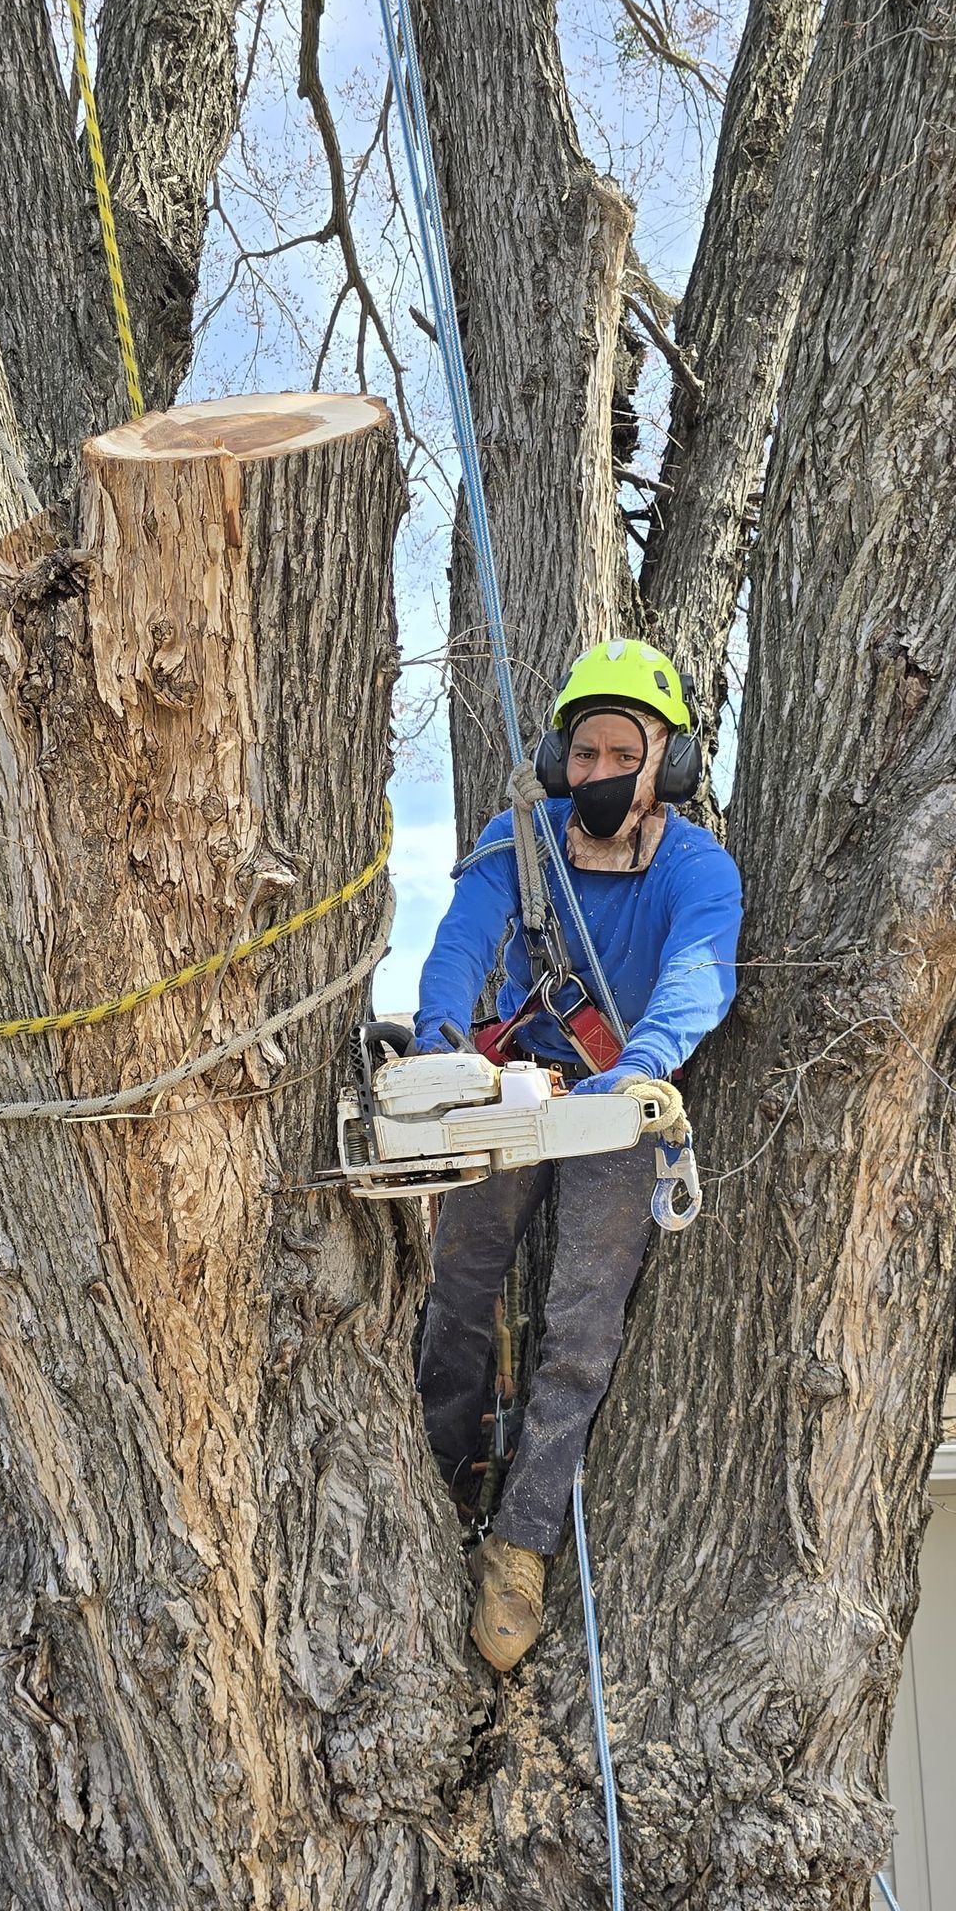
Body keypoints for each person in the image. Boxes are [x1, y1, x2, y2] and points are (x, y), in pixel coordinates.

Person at [412, 638, 743, 1671]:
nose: (598, 774)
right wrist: (437, 1036)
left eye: (619, 753)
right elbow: (465, 935)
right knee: (460, 1282)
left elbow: (699, 970)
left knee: (580, 1330)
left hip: (617, 1102)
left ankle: (522, 1547)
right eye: (583, 754)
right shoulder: (523, 841)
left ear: (666, 765)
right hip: (518, 1085)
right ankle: (436, 1466)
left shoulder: (698, 869)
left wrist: (641, 1065)